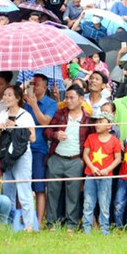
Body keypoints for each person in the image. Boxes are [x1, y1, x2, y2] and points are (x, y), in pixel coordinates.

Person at [44, 85, 91, 231]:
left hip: (76, 159)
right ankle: (51, 223)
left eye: (72, 98)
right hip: (56, 157)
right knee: (52, 192)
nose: (68, 101)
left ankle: (72, 224)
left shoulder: (88, 119)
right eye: (67, 97)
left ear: (81, 99)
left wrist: (83, 160)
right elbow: (47, 131)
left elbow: (90, 141)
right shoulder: (60, 114)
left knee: (74, 194)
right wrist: (56, 135)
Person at [0, 84, 36, 232]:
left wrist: (17, 126)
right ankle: (7, 224)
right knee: (7, 189)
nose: (5, 97)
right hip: (7, 155)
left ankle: (28, 225)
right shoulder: (3, 113)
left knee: (24, 188)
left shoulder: (25, 115)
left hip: (22, 155)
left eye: (9, 95)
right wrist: (0, 127)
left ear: (18, 98)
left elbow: (32, 138)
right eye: (5, 95)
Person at [22, 73, 57, 228]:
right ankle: (22, 218)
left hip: (39, 148)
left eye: (36, 84)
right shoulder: (24, 100)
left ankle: (39, 221)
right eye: (32, 84)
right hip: (22, 147)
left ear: (44, 87)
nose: (33, 87)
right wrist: (24, 88)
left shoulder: (50, 103)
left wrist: (34, 104)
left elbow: (45, 122)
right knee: (22, 184)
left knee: (39, 186)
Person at [81, 112, 122, 234]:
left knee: (104, 203)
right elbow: (85, 155)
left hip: (106, 177)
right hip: (90, 174)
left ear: (109, 126)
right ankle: (86, 228)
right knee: (88, 202)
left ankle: (105, 228)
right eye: (96, 122)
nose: (97, 124)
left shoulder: (114, 140)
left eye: (100, 121)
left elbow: (118, 158)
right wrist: (92, 168)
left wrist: (107, 169)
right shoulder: (91, 137)